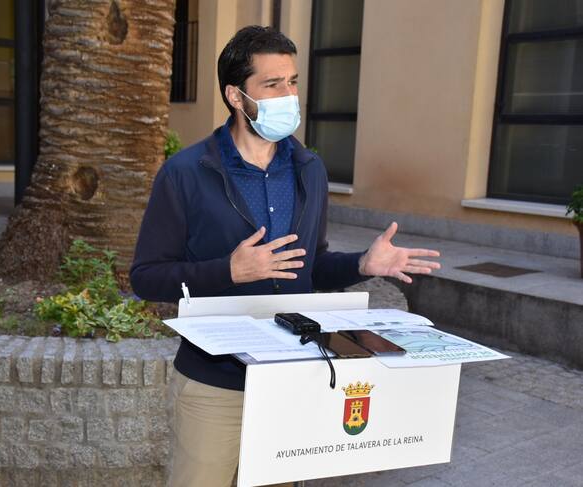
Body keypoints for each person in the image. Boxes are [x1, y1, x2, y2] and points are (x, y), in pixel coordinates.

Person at [130, 25, 440, 487]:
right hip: (215, 384)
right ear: (236, 96)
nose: (288, 95)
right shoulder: (185, 173)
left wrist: (361, 265)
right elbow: (146, 277)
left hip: (291, 377)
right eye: (272, 84)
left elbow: (309, 267)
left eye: (292, 81)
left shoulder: (309, 170)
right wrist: (229, 271)